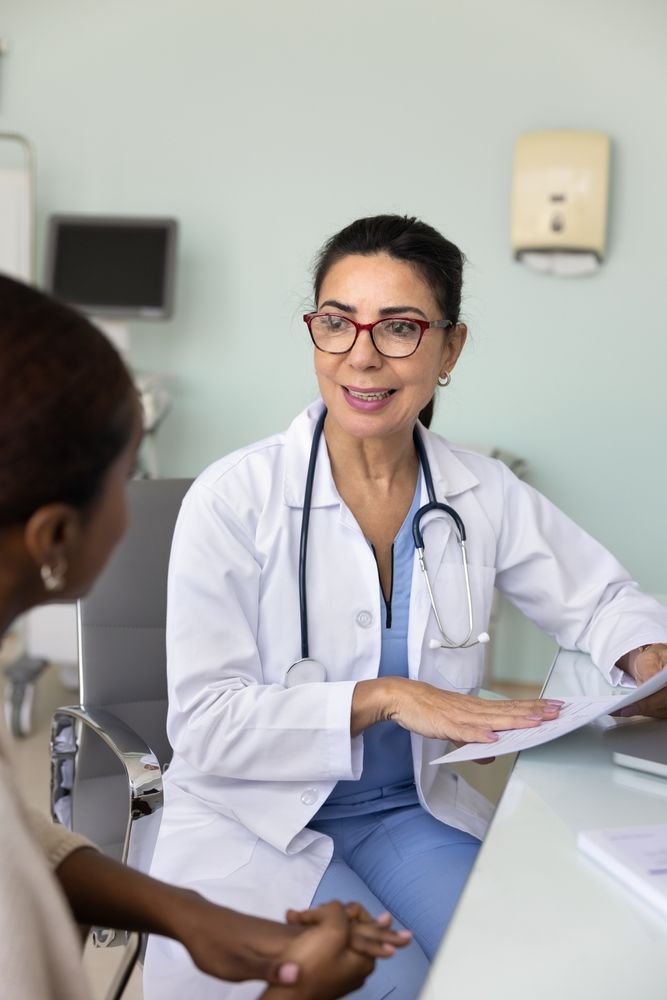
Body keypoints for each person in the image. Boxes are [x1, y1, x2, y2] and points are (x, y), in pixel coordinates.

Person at [145, 214, 667, 1000]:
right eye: (335, 322)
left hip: (404, 811)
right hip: (252, 819)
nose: (361, 353)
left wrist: (643, 654)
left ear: (449, 348)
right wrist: (387, 696)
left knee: (515, 968)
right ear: (313, 332)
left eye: (398, 328)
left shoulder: (478, 491)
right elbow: (206, 722)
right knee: (400, 985)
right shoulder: (235, 498)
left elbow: (599, 597)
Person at [0, 274, 410, 1000]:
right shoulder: (236, 494)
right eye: (127, 479)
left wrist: (187, 917)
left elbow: (17, 841)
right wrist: (294, 991)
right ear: (55, 537)